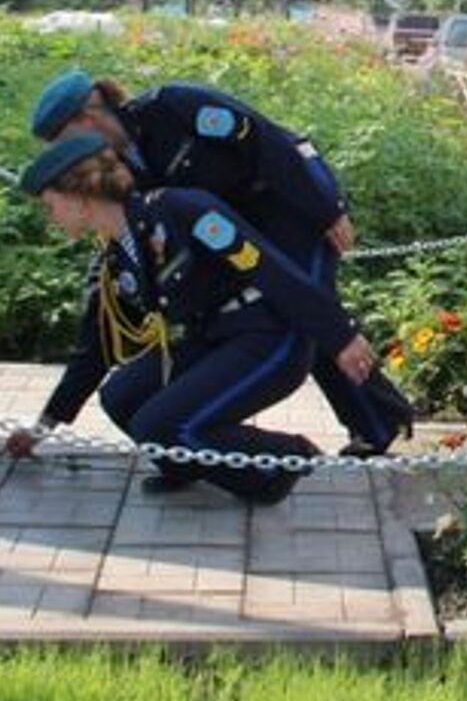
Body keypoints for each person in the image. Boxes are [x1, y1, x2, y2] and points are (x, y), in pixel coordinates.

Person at [28, 69, 412, 457]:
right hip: (238, 231)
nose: (68, 156)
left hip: (289, 213)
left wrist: (326, 208)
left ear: (85, 119)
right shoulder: (122, 170)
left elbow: (268, 143)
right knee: (299, 315)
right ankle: (195, 447)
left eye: (62, 140)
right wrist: (49, 420)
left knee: (310, 312)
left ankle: (376, 424)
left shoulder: (174, 108)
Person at [7, 135, 378, 504]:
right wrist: (43, 427)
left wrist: (339, 336)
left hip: (270, 338)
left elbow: (271, 270)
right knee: (121, 397)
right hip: (217, 335)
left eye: (50, 205)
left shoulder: (182, 211)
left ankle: (279, 465)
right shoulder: (119, 253)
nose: (49, 217)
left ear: (80, 199)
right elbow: (96, 349)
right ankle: (187, 464)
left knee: (158, 424)